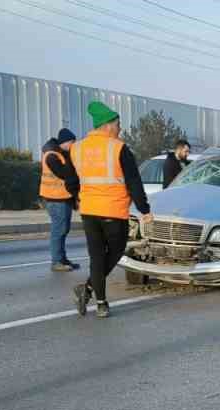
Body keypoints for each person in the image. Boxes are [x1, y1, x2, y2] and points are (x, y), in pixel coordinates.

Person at [70, 101, 151, 319]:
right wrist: (144, 209)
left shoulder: (77, 148)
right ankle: (92, 294)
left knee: (97, 258)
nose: (120, 129)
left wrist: (76, 199)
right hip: (113, 211)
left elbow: (70, 178)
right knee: (114, 253)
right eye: (118, 124)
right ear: (107, 125)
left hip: (88, 211)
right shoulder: (119, 148)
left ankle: (98, 300)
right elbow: (134, 182)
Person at [40, 127, 81, 271]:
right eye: (72, 142)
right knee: (59, 230)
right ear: (65, 142)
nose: (73, 146)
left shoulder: (61, 153)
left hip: (63, 198)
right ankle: (56, 261)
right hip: (54, 199)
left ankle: (62, 259)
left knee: (64, 229)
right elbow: (64, 174)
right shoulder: (51, 155)